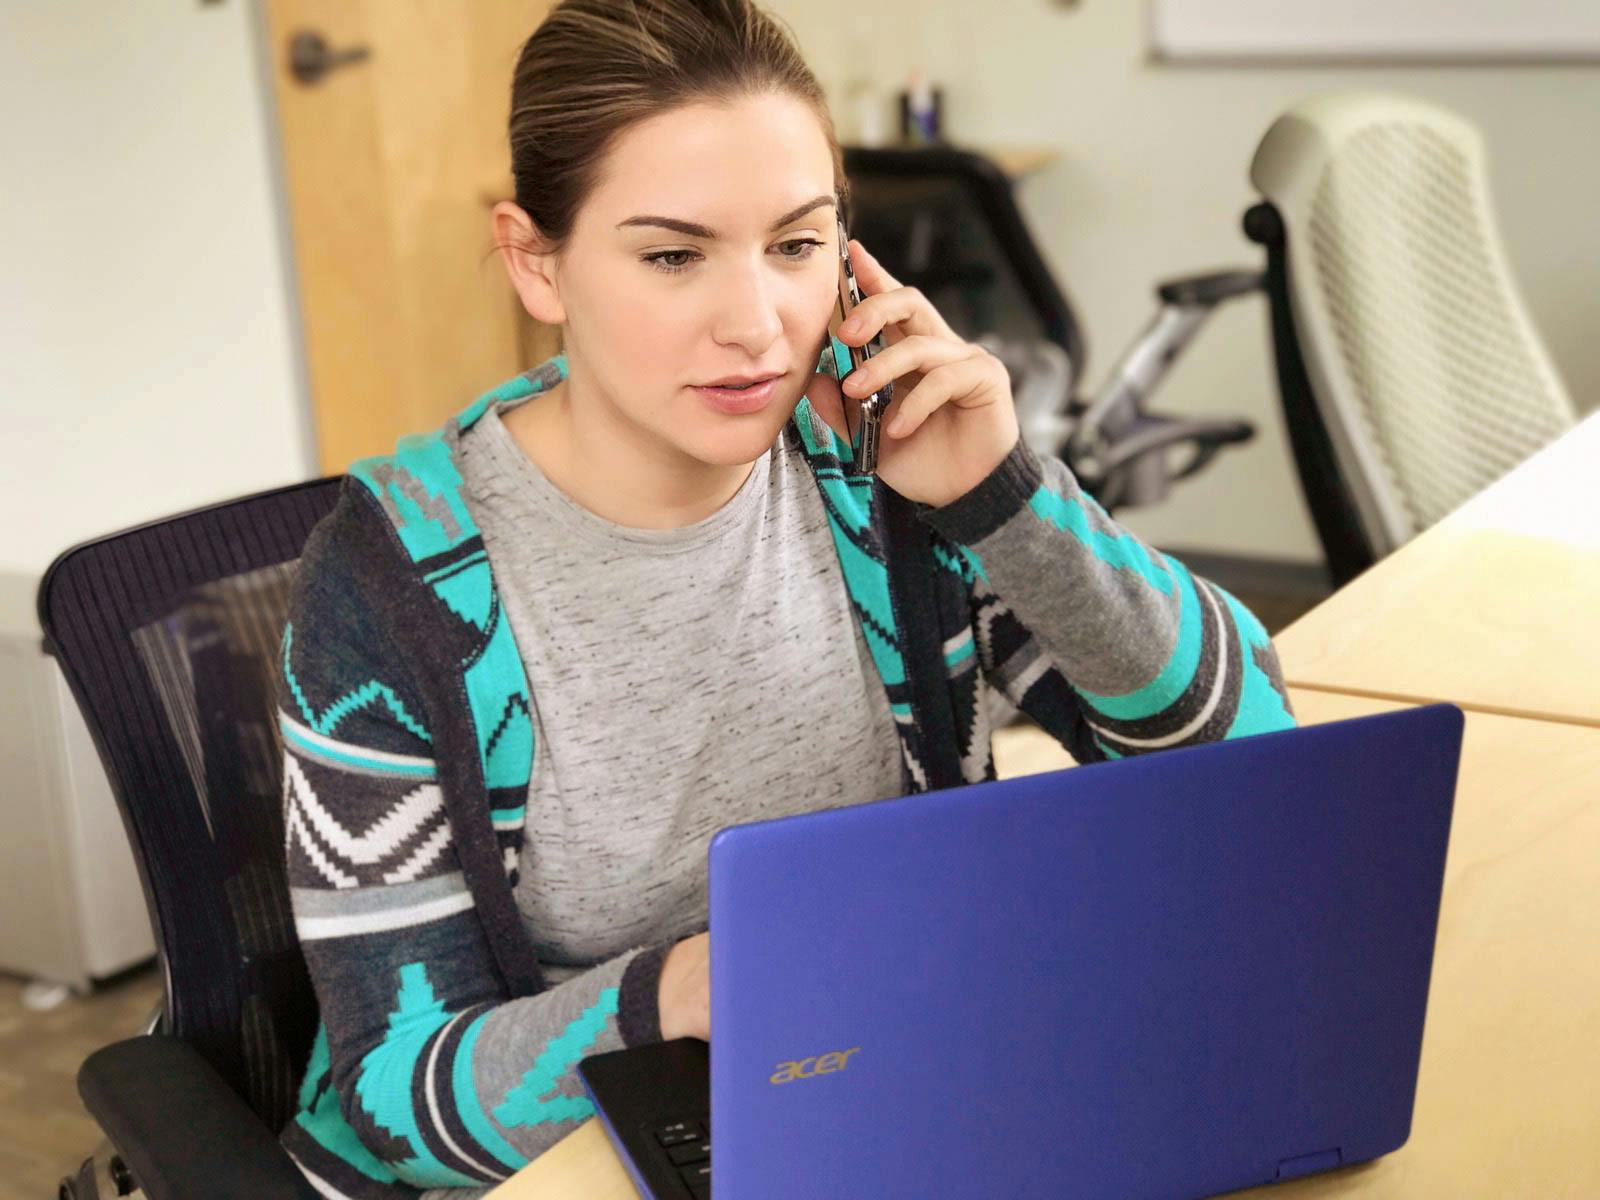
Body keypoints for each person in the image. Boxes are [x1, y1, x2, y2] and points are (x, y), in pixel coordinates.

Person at [273, 1, 1297, 1196]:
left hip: (895, 1078)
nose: (757, 325)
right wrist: (679, 993)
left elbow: (1248, 759)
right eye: (672, 255)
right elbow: (398, 1093)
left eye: (798, 245)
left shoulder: (888, 467)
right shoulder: (395, 582)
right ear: (533, 260)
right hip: (584, 1152)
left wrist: (1001, 501)